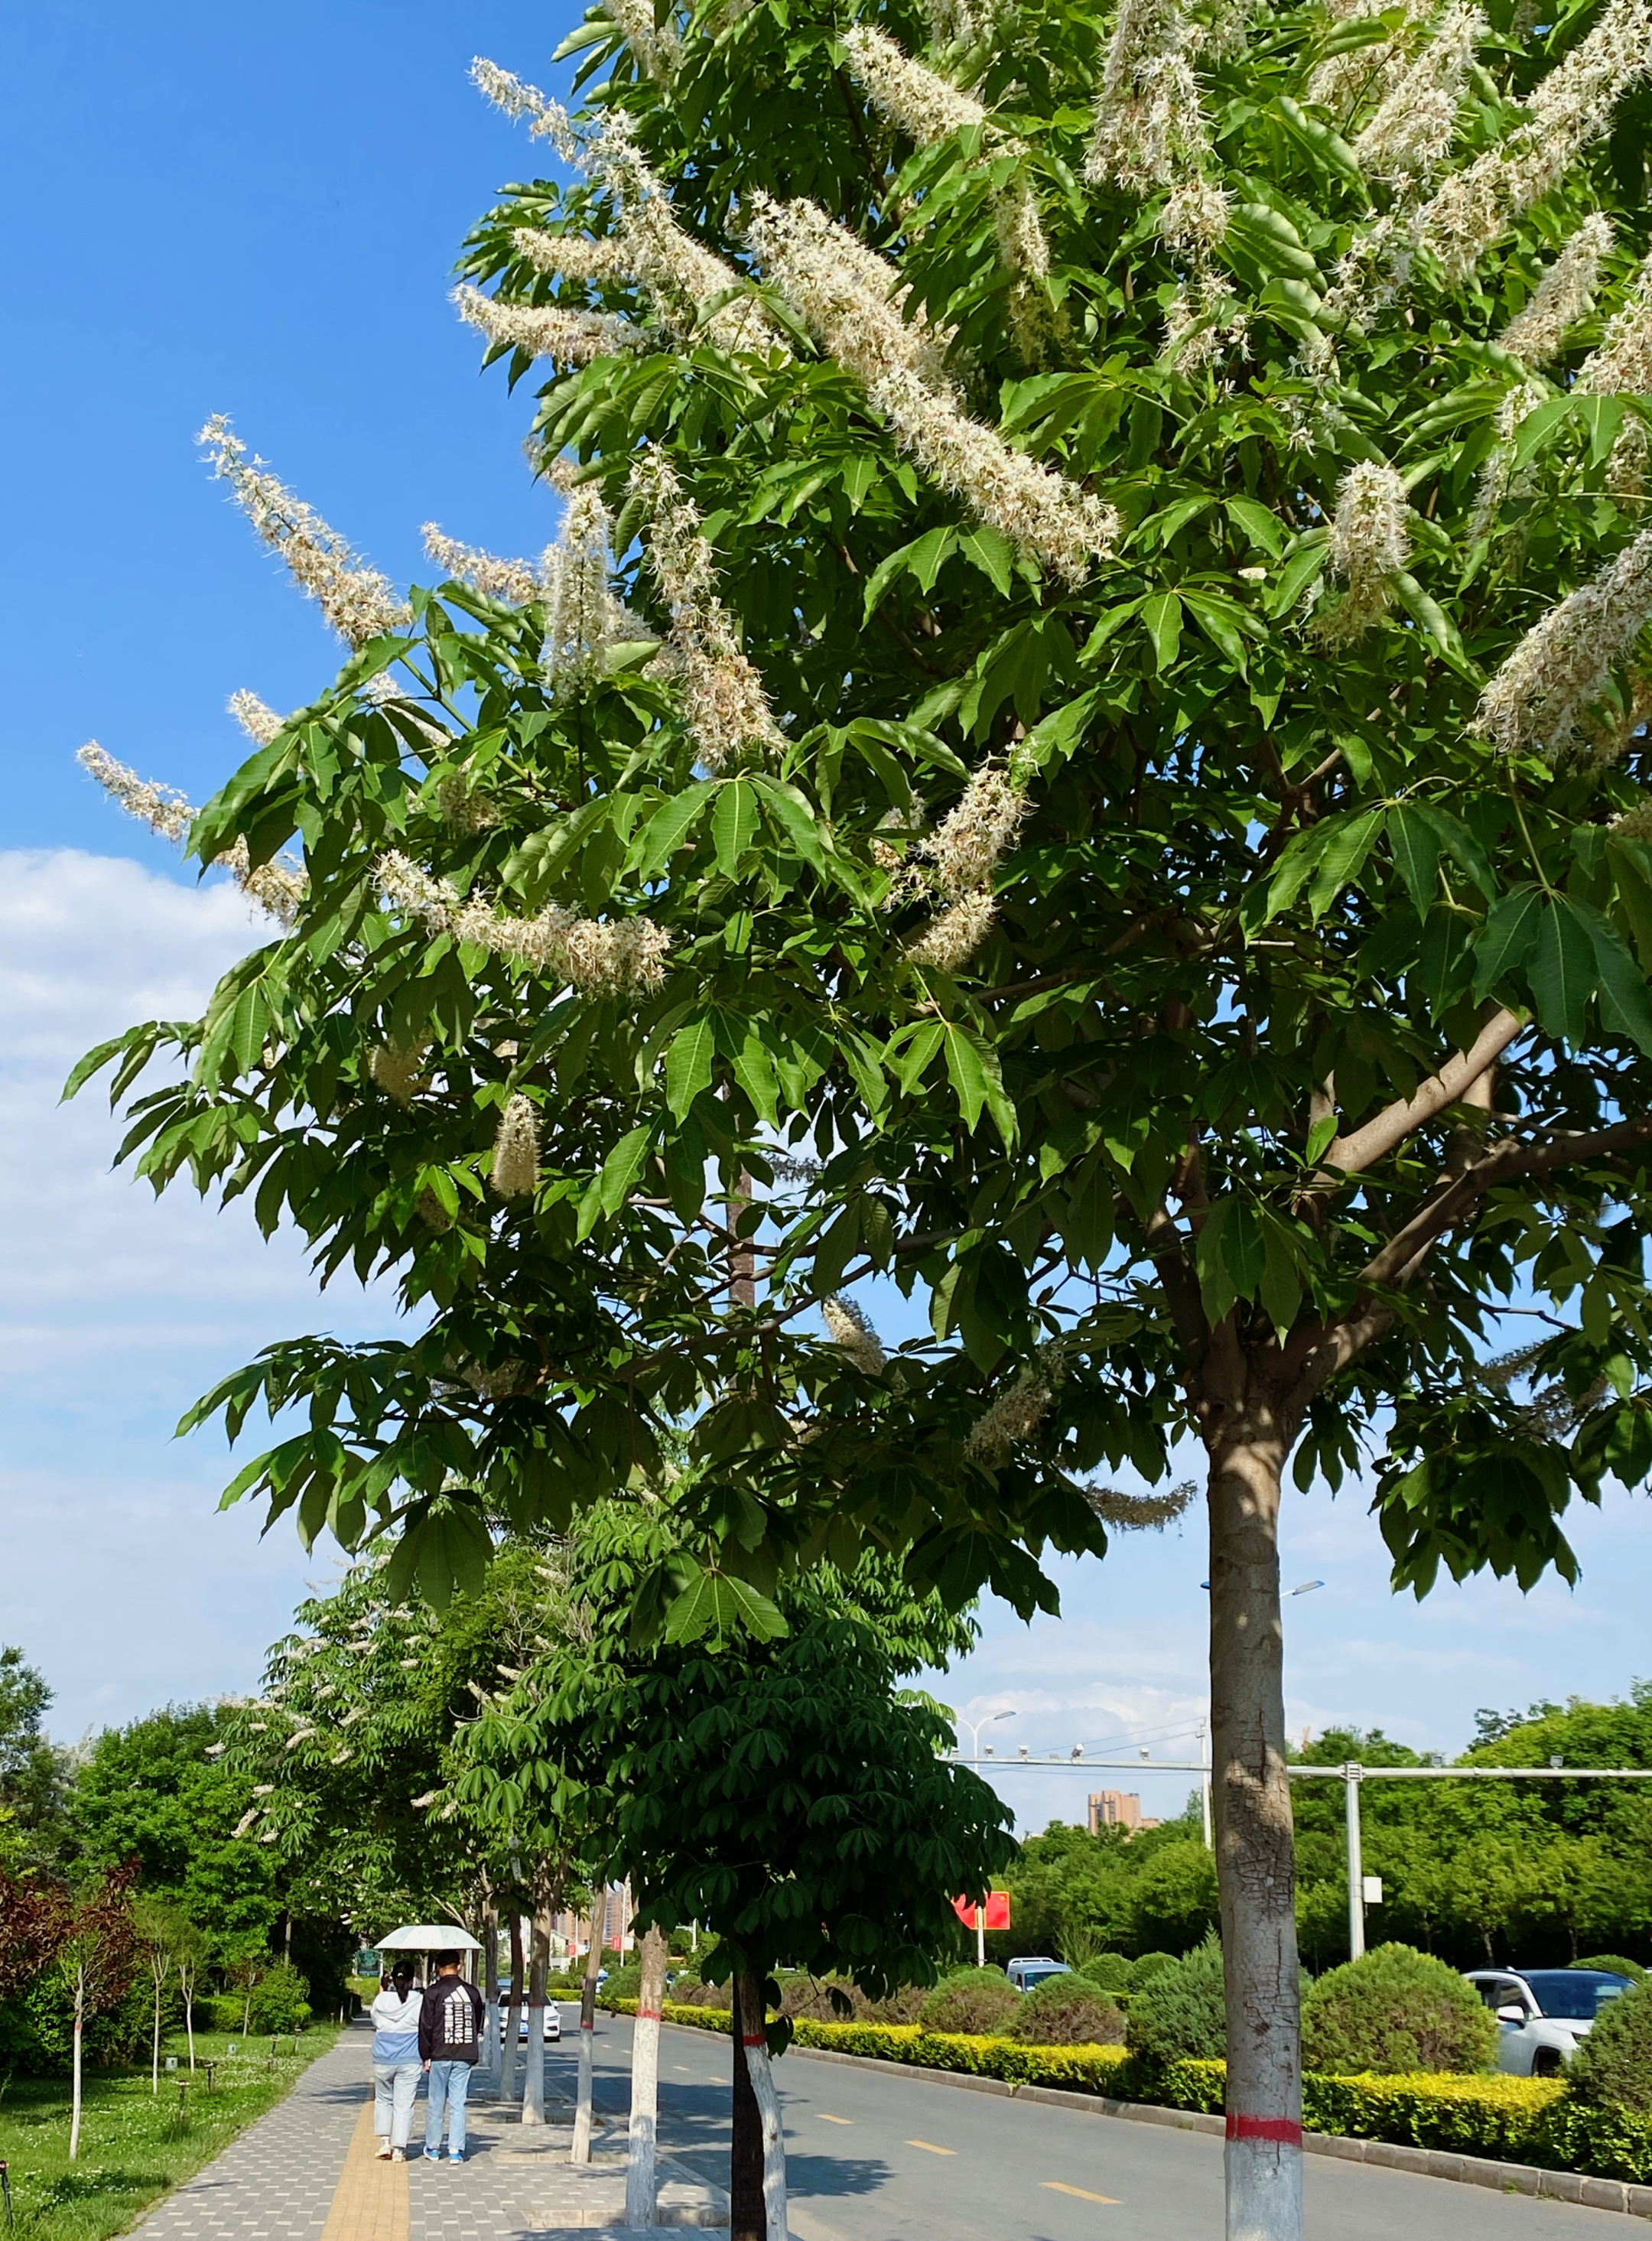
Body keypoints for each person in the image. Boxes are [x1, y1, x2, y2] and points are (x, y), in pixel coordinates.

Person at [419, 1950, 487, 2163]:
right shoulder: (472, 1993)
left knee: (436, 2102)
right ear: (459, 1966)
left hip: (439, 2054)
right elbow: (477, 2021)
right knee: (459, 2103)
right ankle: (456, 2150)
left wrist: (425, 2054)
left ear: (438, 1968)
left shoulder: (432, 1993)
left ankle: (433, 2147)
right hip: (465, 2053)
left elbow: (426, 2026)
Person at [370, 1964, 423, 2162]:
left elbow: (375, 2022)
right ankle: (399, 2149)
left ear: (392, 1978)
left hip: (383, 2058)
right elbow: (423, 2024)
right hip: (410, 2059)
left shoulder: (381, 2000)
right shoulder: (419, 2000)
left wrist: (383, 1989)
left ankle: (385, 2143)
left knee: (384, 2100)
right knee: (404, 2105)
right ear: (412, 1980)